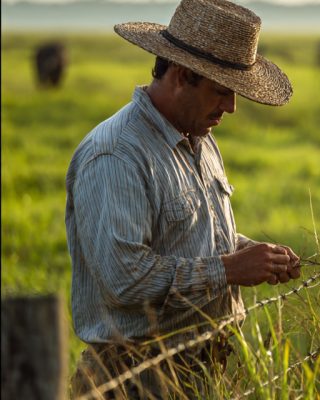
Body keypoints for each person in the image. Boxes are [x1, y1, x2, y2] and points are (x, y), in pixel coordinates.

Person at [65, 0, 299, 397]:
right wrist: (228, 269)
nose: (232, 107)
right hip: (138, 378)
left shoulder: (200, 137)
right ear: (181, 75)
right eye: (221, 91)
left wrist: (254, 254)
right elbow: (124, 280)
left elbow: (190, 237)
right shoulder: (117, 154)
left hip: (205, 368)